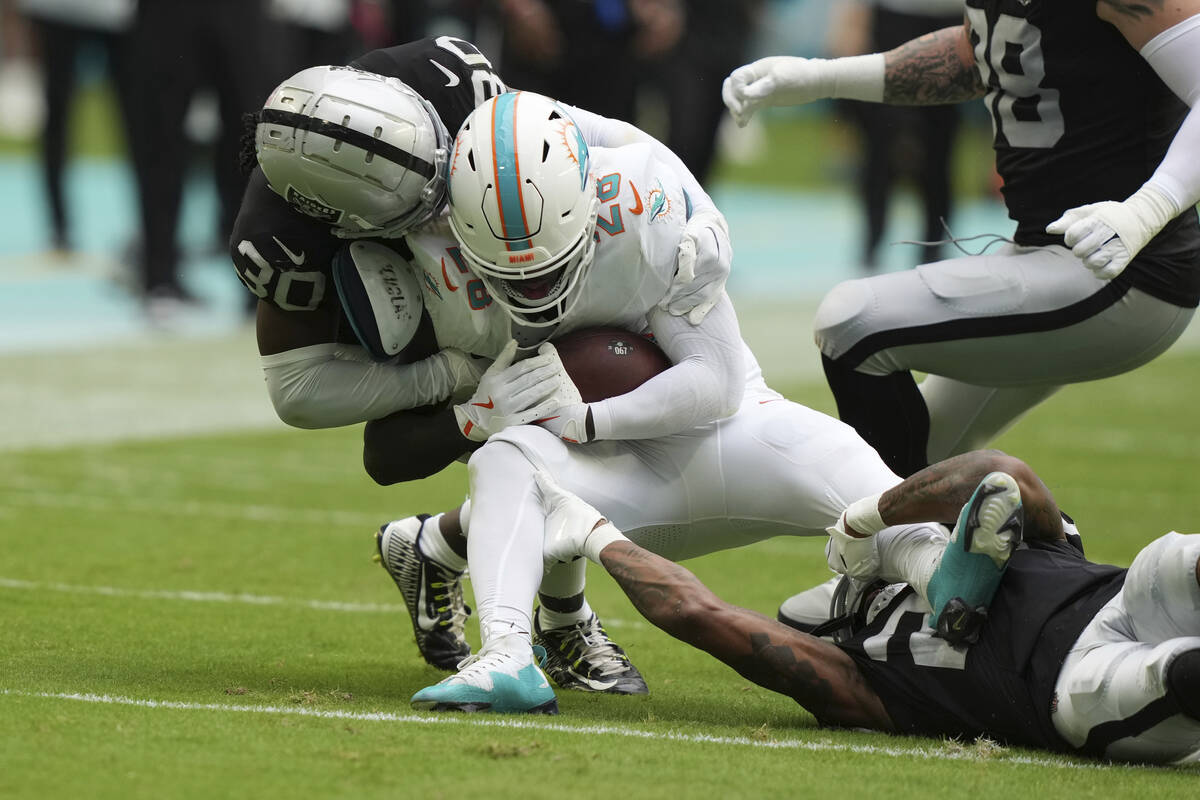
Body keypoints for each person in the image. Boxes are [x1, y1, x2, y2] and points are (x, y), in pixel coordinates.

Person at [407, 92, 1001, 714]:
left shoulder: (648, 203)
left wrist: (587, 417)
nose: (534, 289)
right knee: (504, 457)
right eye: (512, 276)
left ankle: (938, 567)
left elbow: (715, 386)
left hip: (728, 431)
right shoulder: (439, 262)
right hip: (614, 479)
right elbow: (373, 434)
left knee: (838, 455)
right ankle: (506, 653)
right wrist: (470, 417)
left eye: (546, 268)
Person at [231, 36, 733, 687]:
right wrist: (460, 383)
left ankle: (447, 552)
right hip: (414, 308)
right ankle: (559, 616)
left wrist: (697, 210)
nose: (447, 201)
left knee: (582, 385)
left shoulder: (452, 81)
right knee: (494, 423)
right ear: (341, 219)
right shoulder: (284, 238)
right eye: (422, 204)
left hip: (512, 255)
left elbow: (602, 136)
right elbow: (295, 390)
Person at [722, 1, 1200, 480]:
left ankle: (905, 541)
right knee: (906, 468)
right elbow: (979, 53)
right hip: (1046, 255)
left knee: (854, 323)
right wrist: (821, 78)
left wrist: (1149, 208)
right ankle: (1033, 548)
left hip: (1121, 269)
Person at [535, 451, 1200, 764]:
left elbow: (1000, 477)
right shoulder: (865, 686)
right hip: (1070, 692)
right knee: (1171, 675)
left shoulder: (1018, 542)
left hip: (1115, 601)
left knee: (1184, 566)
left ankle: (938, 576)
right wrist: (597, 533)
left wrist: (599, 537)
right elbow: (703, 616)